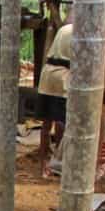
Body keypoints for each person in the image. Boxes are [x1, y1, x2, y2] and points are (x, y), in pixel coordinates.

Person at [37, 20, 72, 177]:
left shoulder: (64, 28)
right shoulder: (83, 33)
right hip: (63, 75)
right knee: (61, 121)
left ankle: (43, 163)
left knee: (46, 123)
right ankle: (57, 161)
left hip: (47, 74)